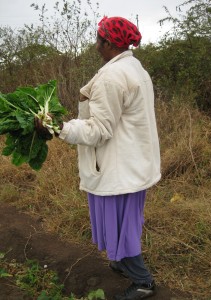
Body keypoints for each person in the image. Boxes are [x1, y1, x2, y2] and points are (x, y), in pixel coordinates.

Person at [37, 16, 161, 300]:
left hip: (119, 167)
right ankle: (120, 263)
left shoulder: (112, 76)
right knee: (121, 222)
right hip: (131, 162)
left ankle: (143, 281)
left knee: (121, 226)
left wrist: (59, 128)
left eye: (98, 39)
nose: (95, 45)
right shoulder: (133, 67)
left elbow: (99, 130)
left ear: (108, 43)